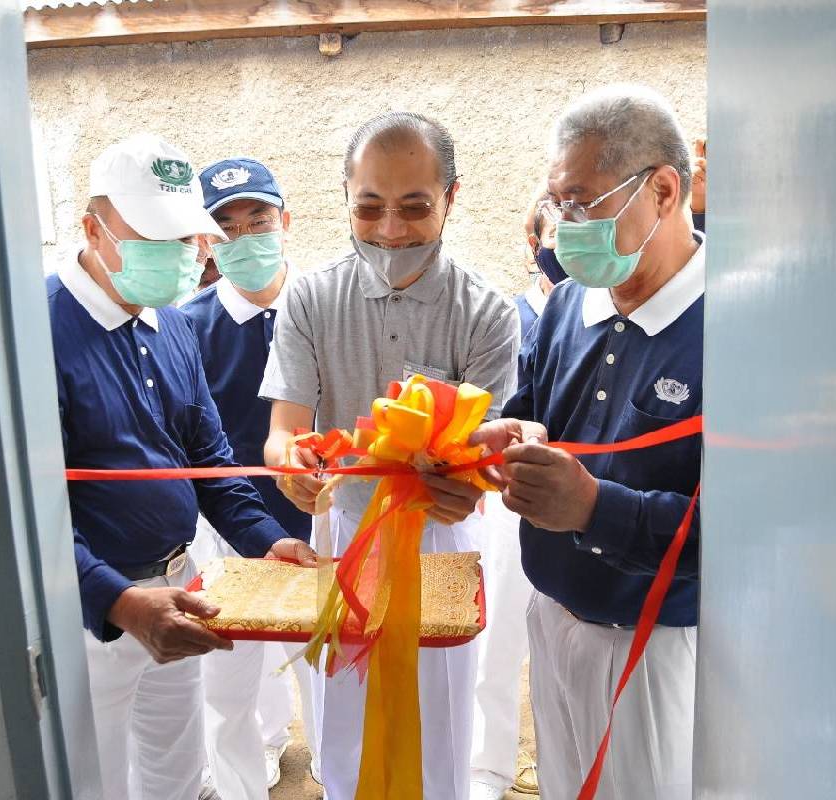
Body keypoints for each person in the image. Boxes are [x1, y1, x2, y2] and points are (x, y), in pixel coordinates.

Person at [259, 111, 520, 800]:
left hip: (443, 536)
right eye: (369, 207)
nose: (391, 230)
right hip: (342, 533)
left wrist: (472, 481)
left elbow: (482, 463)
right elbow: (284, 430)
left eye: (415, 207)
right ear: (345, 195)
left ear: (452, 199)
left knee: (439, 712)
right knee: (342, 711)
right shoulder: (310, 298)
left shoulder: (489, 312)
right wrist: (294, 465)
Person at [48, 132, 315, 800]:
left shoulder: (171, 326)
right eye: (157, 239)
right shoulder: (37, 332)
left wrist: (268, 539)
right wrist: (119, 601)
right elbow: (24, 512)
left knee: (174, 770)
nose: (181, 258)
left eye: (187, 239)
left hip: (178, 591)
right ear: (93, 228)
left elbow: (210, 462)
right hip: (91, 618)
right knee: (97, 780)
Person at [470, 84, 704, 800]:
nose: (564, 226)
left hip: (655, 643)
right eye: (556, 203)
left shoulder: (743, 325)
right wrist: (501, 436)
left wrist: (594, 509)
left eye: (583, 202)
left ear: (664, 191)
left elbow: (751, 535)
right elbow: (532, 408)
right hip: (555, 614)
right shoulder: (572, 300)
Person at [180, 157, 319, 795]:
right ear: (207, 241)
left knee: (329, 664)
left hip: (323, 515)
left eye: (258, 221)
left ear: (285, 221)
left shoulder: (325, 306)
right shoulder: (187, 326)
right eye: (226, 227)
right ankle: (244, 774)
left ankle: (332, 763)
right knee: (228, 674)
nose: (245, 239)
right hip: (225, 523)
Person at [468, 192, 557, 800]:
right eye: (556, 237)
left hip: (580, 505)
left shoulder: (599, 320)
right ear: (533, 244)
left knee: (559, 650)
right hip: (505, 506)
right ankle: (486, 772)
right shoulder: (508, 320)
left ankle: (559, 771)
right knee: (494, 644)